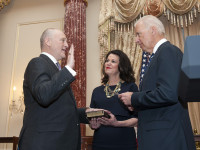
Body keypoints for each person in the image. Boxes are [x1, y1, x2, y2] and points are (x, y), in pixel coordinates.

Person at [119, 15, 196, 150]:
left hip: (166, 138)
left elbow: (168, 93)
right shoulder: (159, 55)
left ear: (153, 30)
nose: (136, 40)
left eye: (139, 34)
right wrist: (136, 105)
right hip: (160, 136)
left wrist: (134, 98)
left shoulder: (168, 51)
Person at [18, 28, 92, 150]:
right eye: (63, 40)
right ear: (48, 41)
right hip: (44, 144)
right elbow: (44, 95)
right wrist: (68, 68)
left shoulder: (58, 71)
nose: (67, 45)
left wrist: (87, 113)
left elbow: (57, 111)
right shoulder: (37, 63)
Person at [89, 50, 138, 150]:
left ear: (121, 66)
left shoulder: (131, 87)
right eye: (107, 60)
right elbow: (91, 117)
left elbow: (138, 119)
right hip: (100, 142)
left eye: (113, 61)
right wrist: (93, 125)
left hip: (124, 142)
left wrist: (117, 123)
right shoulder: (96, 91)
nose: (108, 63)